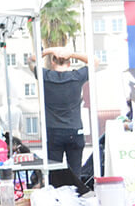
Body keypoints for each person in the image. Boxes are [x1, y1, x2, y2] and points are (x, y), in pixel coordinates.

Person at [28, 46, 98, 179]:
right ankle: (75, 197)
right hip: (75, 130)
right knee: (75, 174)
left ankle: (57, 198)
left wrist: (49, 50)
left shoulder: (46, 76)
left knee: (55, 175)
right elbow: (94, 61)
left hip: (53, 131)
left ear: (53, 62)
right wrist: (72, 53)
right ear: (69, 63)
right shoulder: (77, 77)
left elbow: (30, 60)